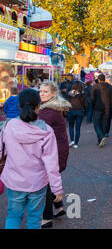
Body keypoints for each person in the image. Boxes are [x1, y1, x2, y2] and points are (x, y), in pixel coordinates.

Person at [0, 89, 63, 229]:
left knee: (14, 215)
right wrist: (56, 188)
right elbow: (52, 164)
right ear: (38, 106)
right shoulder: (46, 131)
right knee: (35, 218)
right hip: (37, 182)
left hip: (14, 180)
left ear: (19, 107)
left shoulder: (8, 127)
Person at [38, 81, 71, 229]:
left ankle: (47, 218)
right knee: (51, 181)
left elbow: (38, 132)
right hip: (60, 148)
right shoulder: (54, 107)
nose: (42, 94)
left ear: (53, 93)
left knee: (45, 183)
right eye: (40, 91)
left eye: (45, 92)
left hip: (54, 151)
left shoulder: (47, 111)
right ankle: (58, 208)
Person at [91, 74, 112, 148]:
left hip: (97, 108)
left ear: (98, 79)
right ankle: (101, 138)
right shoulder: (110, 87)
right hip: (107, 107)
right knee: (104, 123)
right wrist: (111, 106)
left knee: (96, 123)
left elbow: (92, 98)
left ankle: (101, 137)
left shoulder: (95, 86)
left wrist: (93, 106)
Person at [67, 81, 87, 149]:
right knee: (78, 128)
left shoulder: (70, 93)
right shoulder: (83, 94)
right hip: (80, 111)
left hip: (71, 111)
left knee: (71, 126)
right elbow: (85, 104)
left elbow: (68, 102)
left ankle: (72, 140)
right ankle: (76, 143)